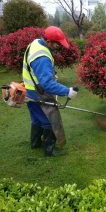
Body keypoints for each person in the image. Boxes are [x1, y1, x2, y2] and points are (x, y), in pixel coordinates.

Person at [22, 26, 78, 156]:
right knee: (48, 121)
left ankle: (35, 144)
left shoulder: (35, 43)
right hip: (39, 93)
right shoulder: (42, 57)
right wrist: (67, 91)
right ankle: (49, 150)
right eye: (57, 44)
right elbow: (47, 83)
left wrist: (51, 74)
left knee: (36, 118)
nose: (58, 47)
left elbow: (38, 72)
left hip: (30, 91)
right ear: (48, 41)